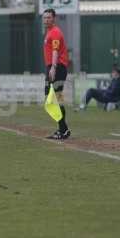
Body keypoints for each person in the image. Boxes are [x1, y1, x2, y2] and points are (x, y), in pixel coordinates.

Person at [42, 8, 71, 140]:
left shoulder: (55, 32)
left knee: (54, 97)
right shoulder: (49, 32)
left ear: (54, 18)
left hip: (57, 67)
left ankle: (63, 130)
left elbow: (55, 51)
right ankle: (63, 129)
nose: (46, 20)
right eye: (45, 17)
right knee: (51, 96)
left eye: (49, 17)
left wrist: (53, 67)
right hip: (53, 67)